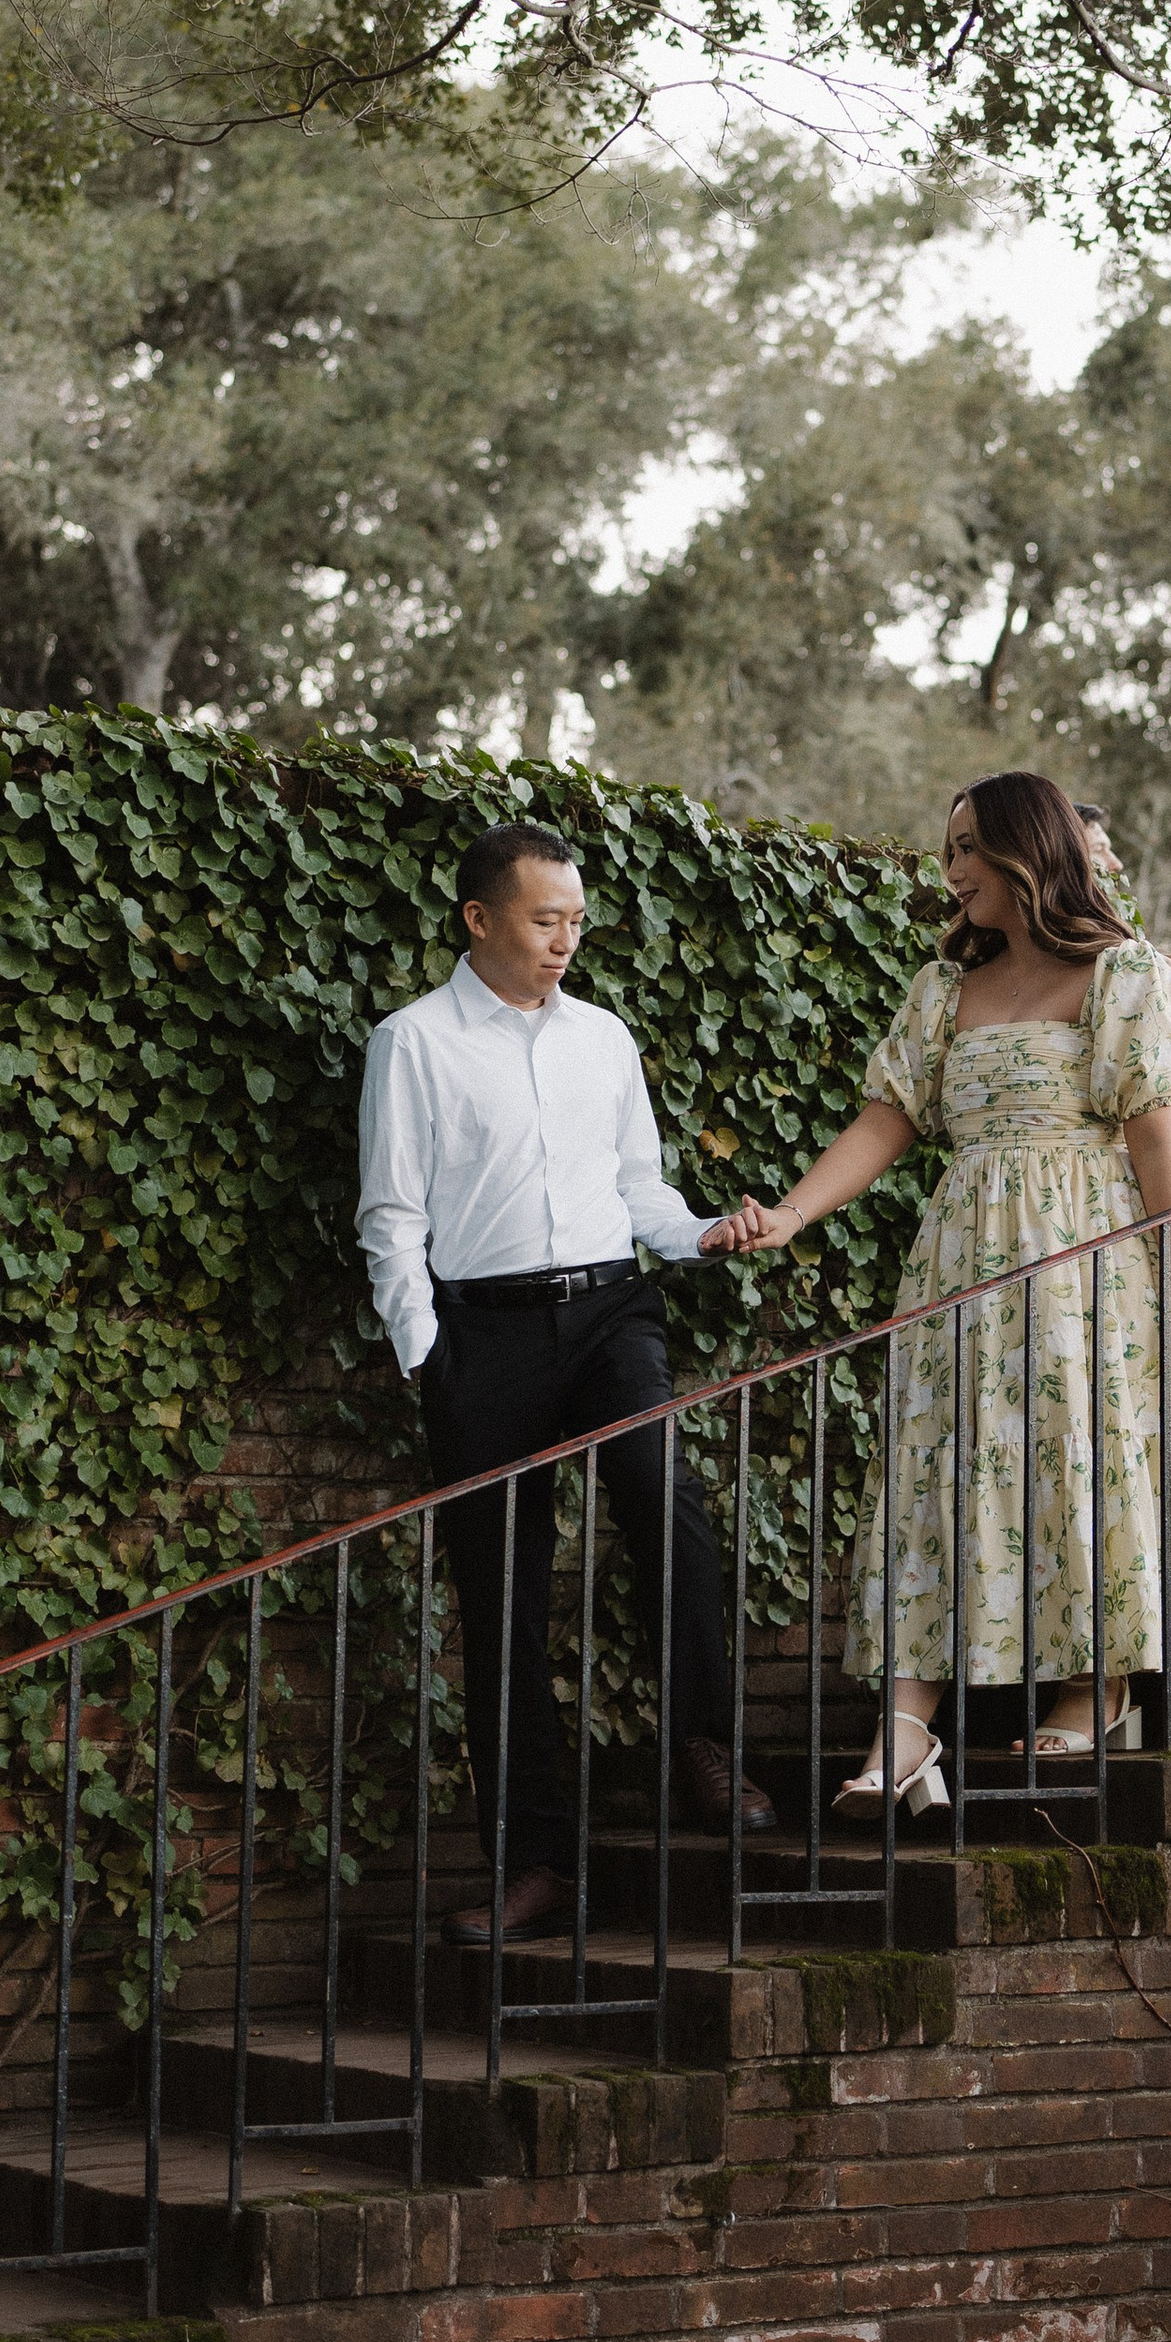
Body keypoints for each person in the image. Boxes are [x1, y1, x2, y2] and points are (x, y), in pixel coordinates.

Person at [716, 770, 1171, 1814]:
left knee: (1078, 1462)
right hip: (961, 1266)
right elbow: (886, 1122)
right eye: (948, 848)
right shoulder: (940, 992)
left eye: (968, 848)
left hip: (1088, 1266)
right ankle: (906, 1728)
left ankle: (1094, 1688)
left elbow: (1163, 1162)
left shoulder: (1124, 981)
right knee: (940, 1468)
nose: (951, 869)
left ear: (1025, 852)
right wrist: (787, 1213)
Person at [357, 820, 775, 1947]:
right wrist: (425, 1358)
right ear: (479, 920)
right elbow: (392, 1217)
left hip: (608, 1311)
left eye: (576, 921)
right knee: (502, 1599)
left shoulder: (604, 1039)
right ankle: (538, 1866)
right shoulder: (414, 1044)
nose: (565, 941)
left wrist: (699, 1236)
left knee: (663, 1491)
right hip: (480, 1339)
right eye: (546, 920)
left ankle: (699, 1742)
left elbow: (638, 1188)